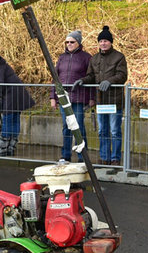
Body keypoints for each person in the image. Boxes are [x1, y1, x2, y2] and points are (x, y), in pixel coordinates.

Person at [75, 26, 128, 165]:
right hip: (100, 100)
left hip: (114, 101)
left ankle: (115, 158)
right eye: (101, 41)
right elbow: (91, 75)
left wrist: (110, 81)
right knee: (102, 131)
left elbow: (122, 75)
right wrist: (82, 80)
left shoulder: (119, 57)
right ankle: (104, 157)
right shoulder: (94, 59)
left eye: (105, 41)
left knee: (115, 131)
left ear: (111, 42)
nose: (103, 43)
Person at [49, 31, 94, 161]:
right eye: (67, 42)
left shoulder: (86, 58)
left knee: (78, 126)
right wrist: (53, 97)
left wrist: (92, 97)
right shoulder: (62, 58)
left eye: (72, 42)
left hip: (79, 97)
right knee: (66, 127)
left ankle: (82, 156)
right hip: (64, 97)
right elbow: (55, 77)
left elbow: (91, 78)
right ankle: (65, 155)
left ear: (78, 43)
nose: (69, 44)